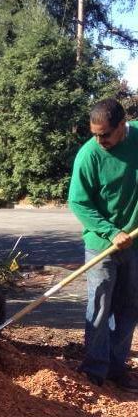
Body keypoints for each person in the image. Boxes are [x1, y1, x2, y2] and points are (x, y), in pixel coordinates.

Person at [68, 97, 138, 391]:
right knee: (99, 306)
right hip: (102, 243)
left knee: (129, 307)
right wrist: (111, 232)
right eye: (95, 134)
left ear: (122, 125)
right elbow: (79, 202)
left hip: (134, 243)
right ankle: (95, 370)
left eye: (105, 134)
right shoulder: (89, 156)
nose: (99, 140)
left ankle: (115, 367)